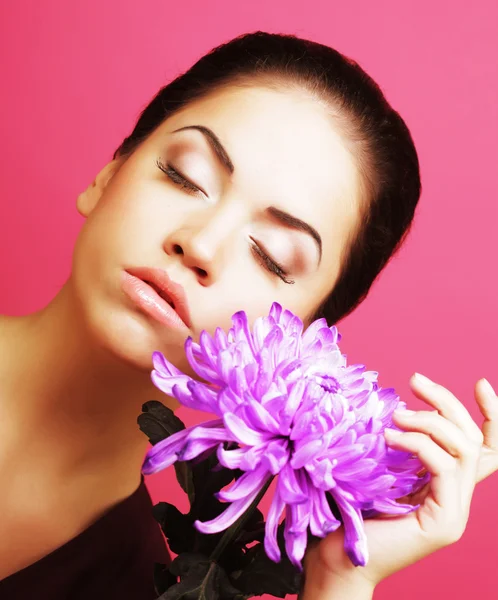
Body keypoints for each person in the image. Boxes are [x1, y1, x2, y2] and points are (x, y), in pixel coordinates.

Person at [0, 31, 496, 600]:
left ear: (303, 343)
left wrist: (342, 579)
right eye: (185, 176)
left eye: (271, 257)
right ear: (108, 176)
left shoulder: (143, 581)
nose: (201, 245)